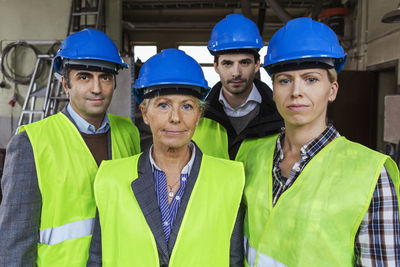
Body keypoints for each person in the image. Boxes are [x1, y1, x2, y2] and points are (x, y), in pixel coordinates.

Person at [243, 17, 400, 266]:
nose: (296, 91)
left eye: (311, 79)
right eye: (285, 80)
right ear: (273, 91)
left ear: (333, 90)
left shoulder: (371, 174)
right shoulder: (250, 154)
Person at [87, 49, 245, 266]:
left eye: (187, 106)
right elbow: (97, 258)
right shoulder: (111, 178)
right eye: (163, 105)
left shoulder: (230, 179)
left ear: (198, 115)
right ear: (145, 113)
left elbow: (234, 260)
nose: (175, 118)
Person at [0, 28, 141, 266]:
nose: (97, 88)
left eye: (105, 77)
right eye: (84, 77)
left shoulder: (128, 132)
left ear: (115, 82)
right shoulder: (31, 143)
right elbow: (15, 241)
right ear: (66, 84)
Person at [192, 13, 283, 162]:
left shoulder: (282, 114)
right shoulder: (196, 116)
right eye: (227, 63)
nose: (236, 73)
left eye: (244, 63)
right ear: (216, 66)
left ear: (257, 65)